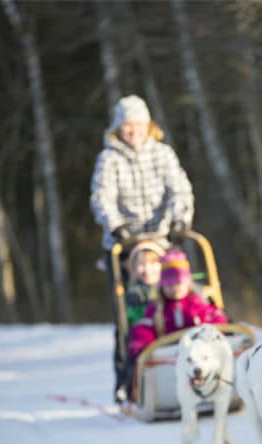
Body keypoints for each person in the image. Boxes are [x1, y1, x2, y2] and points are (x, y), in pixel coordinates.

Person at [90, 94, 194, 401]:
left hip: (162, 240)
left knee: (184, 294)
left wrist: (180, 220)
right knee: (127, 310)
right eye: (126, 125)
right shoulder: (109, 159)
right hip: (124, 243)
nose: (132, 131)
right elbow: (101, 197)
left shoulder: (162, 154)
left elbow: (180, 189)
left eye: (137, 125)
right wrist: (115, 225)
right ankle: (126, 377)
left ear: (148, 125)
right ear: (118, 128)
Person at [120, 249, 228, 401]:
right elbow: (145, 326)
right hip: (169, 356)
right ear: (162, 287)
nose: (175, 288)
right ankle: (139, 392)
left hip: (197, 354)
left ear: (188, 284)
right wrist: (142, 341)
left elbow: (214, 315)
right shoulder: (157, 308)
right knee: (137, 344)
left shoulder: (197, 304)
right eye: (169, 285)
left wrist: (215, 329)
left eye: (179, 284)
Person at [124, 240, 165, 327]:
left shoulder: (172, 288)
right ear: (134, 267)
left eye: (153, 263)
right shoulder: (134, 294)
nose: (147, 270)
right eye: (141, 264)